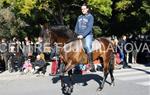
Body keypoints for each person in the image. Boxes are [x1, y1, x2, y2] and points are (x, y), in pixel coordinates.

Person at [74, 3, 95, 71]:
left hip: (88, 35)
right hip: (79, 35)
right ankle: (77, 65)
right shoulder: (79, 17)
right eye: (82, 9)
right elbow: (76, 27)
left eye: (84, 9)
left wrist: (82, 35)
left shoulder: (90, 17)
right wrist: (75, 34)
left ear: (87, 9)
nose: (83, 10)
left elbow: (89, 28)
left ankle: (91, 64)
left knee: (87, 46)